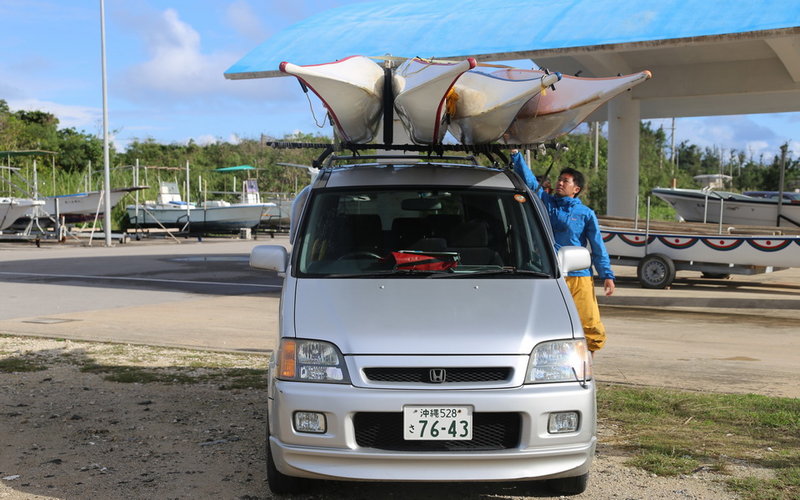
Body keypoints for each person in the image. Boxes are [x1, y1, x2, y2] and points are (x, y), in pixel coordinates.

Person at [510, 149, 615, 354]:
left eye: (565, 181)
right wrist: (516, 156)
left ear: (576, 189)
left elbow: (597, 247)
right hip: (549, 273)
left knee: (589, 323)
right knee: (546, 321)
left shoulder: (585, 214)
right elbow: (531, 182)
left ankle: (588, 360)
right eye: (559, 179)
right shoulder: (546, 203)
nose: (559, 183)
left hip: (579, 277)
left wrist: (607, 275)